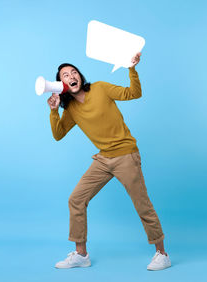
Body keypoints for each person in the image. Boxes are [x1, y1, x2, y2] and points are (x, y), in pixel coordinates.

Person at [47, 53, 171, 271]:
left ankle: (162, 254)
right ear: (62, 85)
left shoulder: (101, 88)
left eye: (74, 72)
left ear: (80, 76)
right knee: (76, 199)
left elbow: (134, 93)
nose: (71, 76)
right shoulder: (72, 110)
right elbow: (58, 134)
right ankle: (81, 254)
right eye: (65, 75)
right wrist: (54, 111)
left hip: (126, 155)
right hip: (103, 158)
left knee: (142, 205)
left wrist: (131, 69)